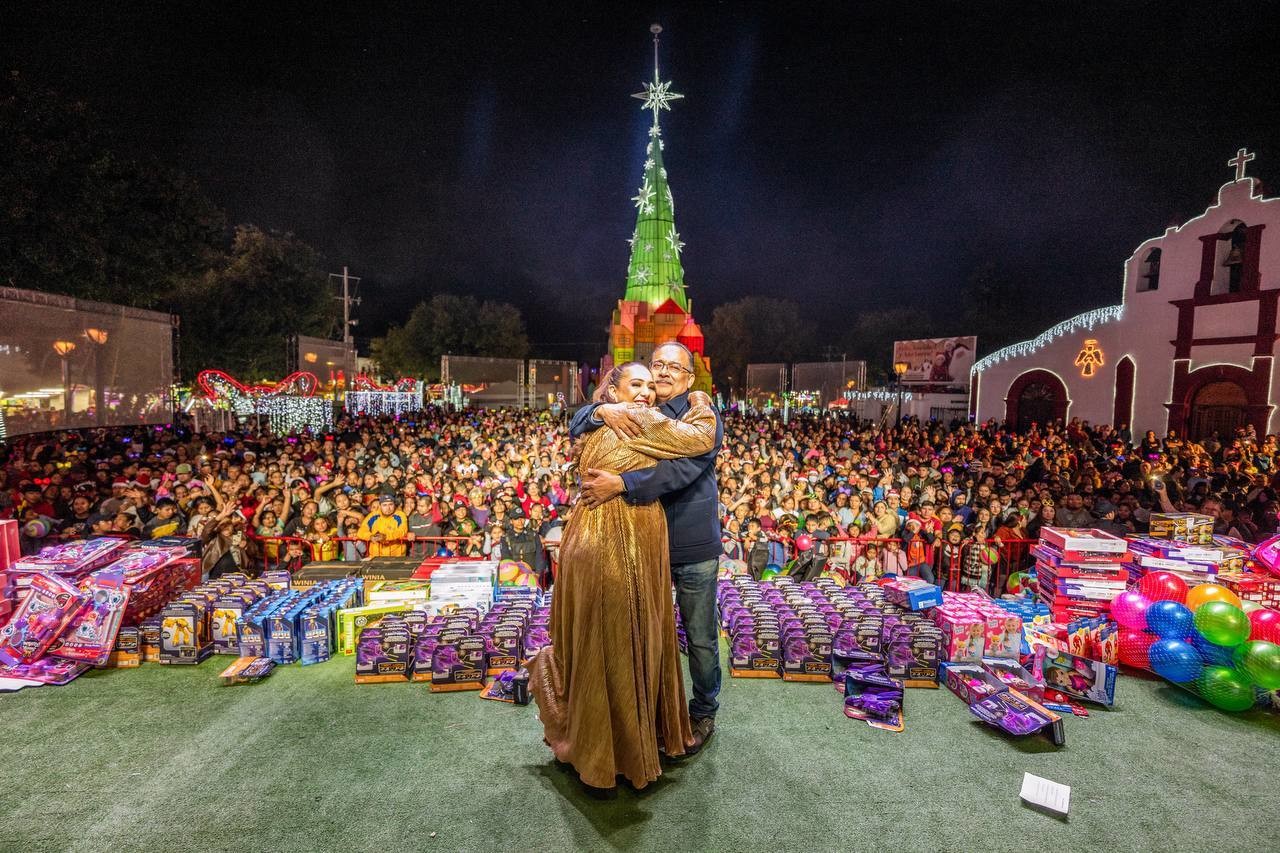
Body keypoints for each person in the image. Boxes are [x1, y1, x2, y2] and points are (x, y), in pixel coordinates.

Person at [531, 362, 716, 791]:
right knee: (623, 637)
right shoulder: (641, 418)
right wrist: (703, 402)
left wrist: (601, 413)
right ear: (613, 392)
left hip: (587, 539)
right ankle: (621, 751)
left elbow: (583, 418)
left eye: (653, 384)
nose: (649, 391)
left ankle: (592, 743)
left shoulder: (608, 419)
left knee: (600, 639)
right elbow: (702, 437)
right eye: (640, 382)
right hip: (619, 541)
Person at [574, 342, 725, 754]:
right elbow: (576, 422)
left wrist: (623, 484)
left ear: (690, 377)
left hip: (692, 546)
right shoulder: (633, 411)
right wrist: (600, 410)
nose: (662, 372)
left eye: (674, 367)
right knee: (646, 633)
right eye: (657, 364)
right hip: (641, 543)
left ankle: (703, 710)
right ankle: (654, 712)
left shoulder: (703, 415)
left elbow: (681, 469)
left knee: (699, 638)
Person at [356, 493, 410, 557]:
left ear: (394, 505)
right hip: (375, 557)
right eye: (385, 505)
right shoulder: (373, 516)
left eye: (390, 504)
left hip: (396, 557)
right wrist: (370, 536)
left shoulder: (400, 515)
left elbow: (402, 531)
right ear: (380, 506)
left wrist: (386, 537)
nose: (388, 508)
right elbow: (361, 531)